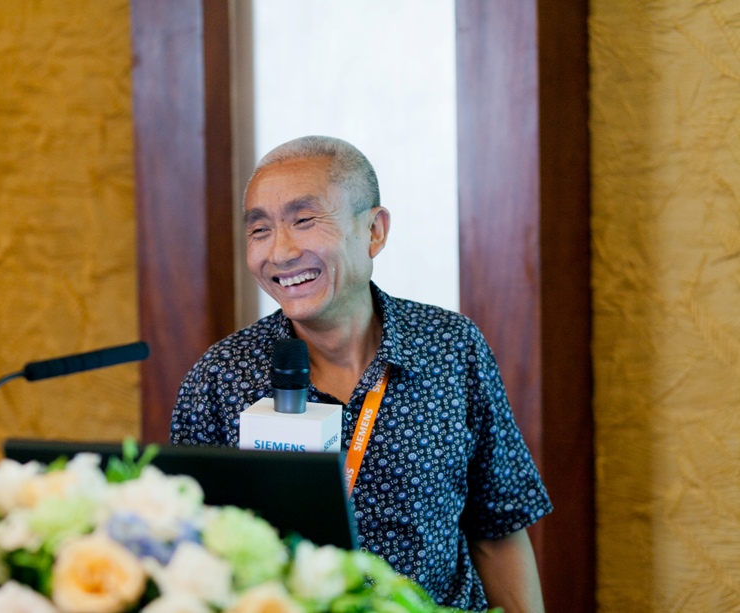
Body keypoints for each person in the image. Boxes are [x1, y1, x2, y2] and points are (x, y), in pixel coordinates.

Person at [170, 135, 552, 612]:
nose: (280, 252)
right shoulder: (220, 378)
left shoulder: (452, 348)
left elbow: (498, 531)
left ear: (374, 231)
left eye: (304, 220)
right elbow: (188, 557)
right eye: (260, 230)